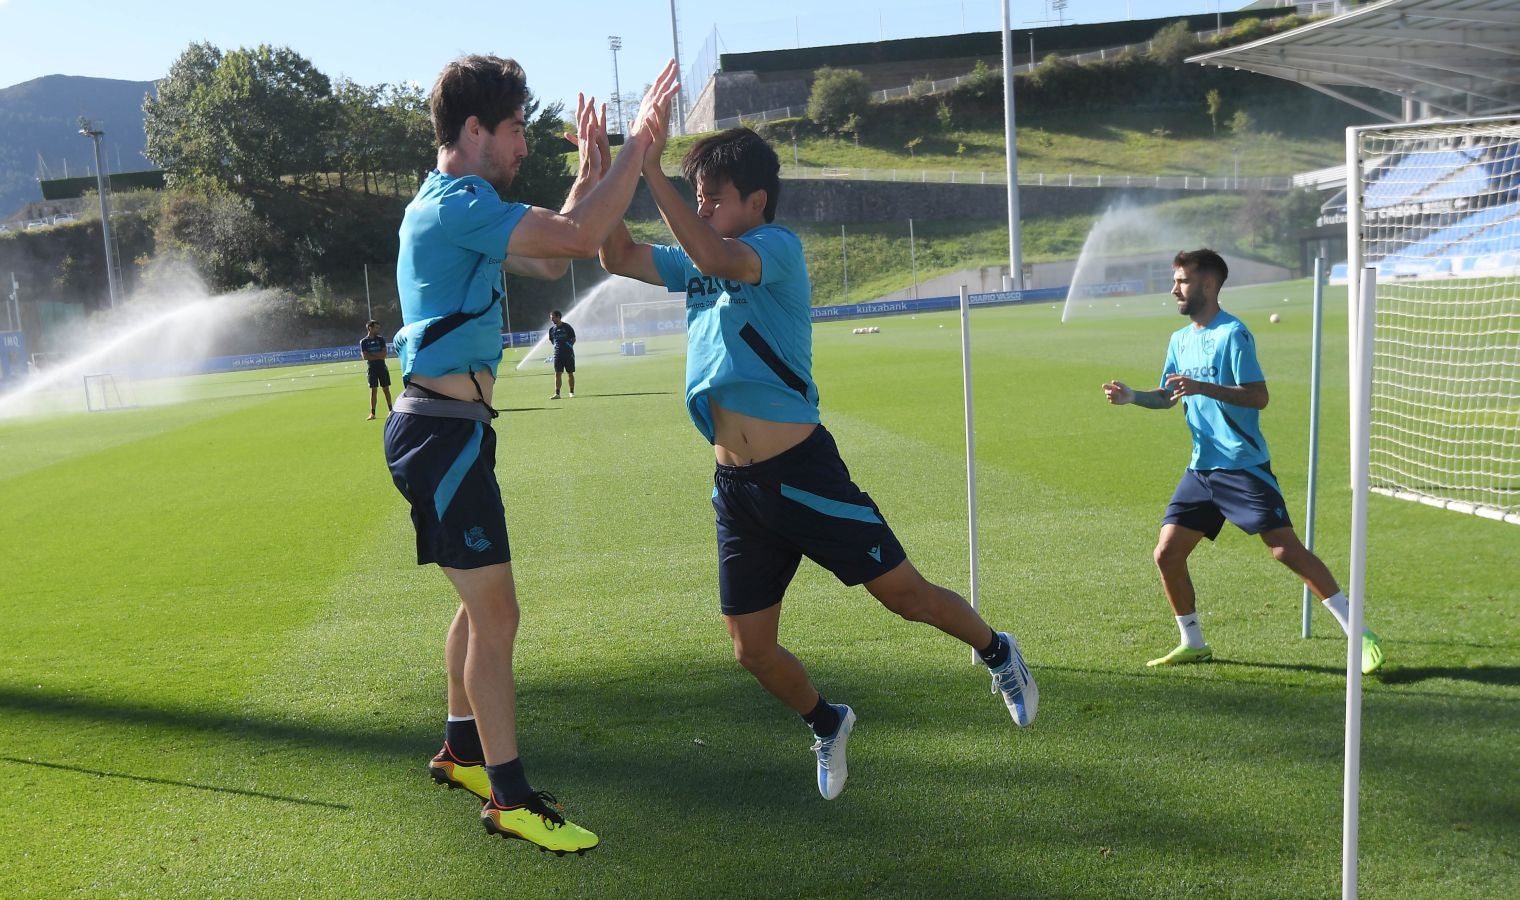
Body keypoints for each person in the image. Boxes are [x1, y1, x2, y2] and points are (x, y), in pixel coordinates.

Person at [597, 124, 1037, 802]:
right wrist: (604, 173)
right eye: (697, 196)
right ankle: (828, 721)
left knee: (907, 598)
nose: (702, 207)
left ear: (757, 201)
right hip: (737, 489)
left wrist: (651, 170)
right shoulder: (699, 259)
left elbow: (716, 255)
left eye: (713, 196)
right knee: (751, 650)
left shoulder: (776, 248)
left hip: (803, 474)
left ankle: (998, 652)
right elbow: (617, 253)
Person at [385, 54, 678, 854]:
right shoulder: (458, 203)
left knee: (476, 604)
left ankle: (461, 750)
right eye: (515, 129)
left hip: (449, 431)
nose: (522, 145)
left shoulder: (459, 205)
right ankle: (510, 799)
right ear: (474, 130)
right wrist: (639, 146)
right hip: (441, 434)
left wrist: (591, 175)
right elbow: (580, 239)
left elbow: (553, 255)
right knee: (498, 613)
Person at [1102, 249, 1386, 674]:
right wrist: (1133, 398)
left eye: (1182, 281)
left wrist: (1204, 387)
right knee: (1167, 553)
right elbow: (1169, 395)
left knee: (1284, 549)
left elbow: (1258, 396)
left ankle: (1359, 633)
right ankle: (1193, 642)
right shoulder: (1179, 340)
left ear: (1208, 285)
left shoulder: (1233, 334)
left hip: (1241, 465)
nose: (1174, 289)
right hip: (1201, 469)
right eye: (1175, 280)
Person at [360, 320, 393, 420]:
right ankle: (372, 413)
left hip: (382, 367)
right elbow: (365, 356)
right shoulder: (364, 341)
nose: (378, 329)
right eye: (376, 328)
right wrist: (377, 355)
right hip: (371, 369)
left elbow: (384, 355)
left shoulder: (381, 339)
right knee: (373, 390)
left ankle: (391, 411)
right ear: (370, 328)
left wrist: (371, 354)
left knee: (386, 389)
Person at [547, 310, 576, 398]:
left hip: (568, 354)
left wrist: (569, 346)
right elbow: (552, 340)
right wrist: (557, 347)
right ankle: (557, 393)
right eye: (551, 318)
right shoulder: (551, 329)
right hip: (557, 355)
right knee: (557, 373)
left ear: (558, 317)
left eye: (553, 318)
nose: (552, 320)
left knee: (570, 373)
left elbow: (573, 338)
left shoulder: (567, 327)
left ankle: (571, 392)